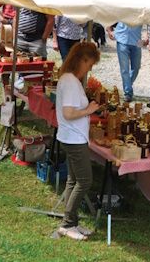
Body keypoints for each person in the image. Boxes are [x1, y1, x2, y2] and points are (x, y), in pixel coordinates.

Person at [51, 42, 101, 241]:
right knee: (84, 181)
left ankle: (71, 222)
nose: (90, 68)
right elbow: (69, 112)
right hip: (73, 138)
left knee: (73, 180)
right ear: (81, 60)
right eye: (89, 64)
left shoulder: (68, 79)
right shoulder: (71, 81)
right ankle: (66, 225)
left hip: (70, 136)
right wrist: (89, 110)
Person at [107, 22, 145, 102]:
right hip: (122, 39)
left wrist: (148, 37)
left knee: (137, 67)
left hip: (137, 40)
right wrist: (109, 30)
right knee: (124, 68)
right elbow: (113, 15)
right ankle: (128, 93)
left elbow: (149, 21)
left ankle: (128, 85)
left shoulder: (142, 9)